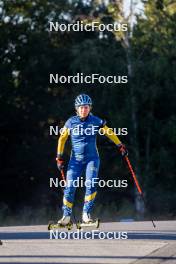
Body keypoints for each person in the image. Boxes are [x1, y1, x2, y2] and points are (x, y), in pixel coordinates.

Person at [56, 94, 128, 225]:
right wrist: (59, 157)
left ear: (90, 108)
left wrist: (120, 144)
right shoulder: (71, 122)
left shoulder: (95, 120)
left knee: (91, 184)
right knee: (70, 186)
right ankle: (66, 216)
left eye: (86, 107)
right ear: (76, 109)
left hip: (92, 159)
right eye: (81, 107)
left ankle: (86, 215)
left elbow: (108, 132)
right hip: (75, 160)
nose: (84, 110)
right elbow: (62, 139)